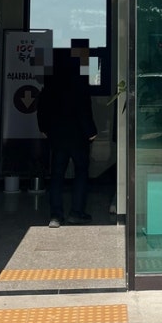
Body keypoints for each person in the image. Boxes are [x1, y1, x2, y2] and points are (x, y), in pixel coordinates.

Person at [36, 47, 97, 228]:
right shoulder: (79, 80)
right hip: (77, 135)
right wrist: (91, 131)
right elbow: (83, 109)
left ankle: (55, 216)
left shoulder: (50, 80)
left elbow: (42, 105)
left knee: (57, 174)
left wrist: (44, 128)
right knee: (81, 171)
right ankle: (76, 213)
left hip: (57, 135)